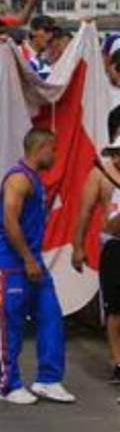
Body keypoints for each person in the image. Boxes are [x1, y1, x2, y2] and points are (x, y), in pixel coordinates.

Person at [0, 128, 75, 404]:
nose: (56, 154)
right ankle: (9, 385)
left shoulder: (35, 180)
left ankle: (48, 379)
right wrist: (26, 258)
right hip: (13, 264)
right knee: (11, 324)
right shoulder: (18, 179)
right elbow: (9, 222)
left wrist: (33, 260)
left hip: (33, 262)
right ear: (41, 149)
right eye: (54, 149)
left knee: (51, 316)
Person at [71, 136, 120, 384]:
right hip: (114, 245)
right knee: (115, 307)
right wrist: (77, 247)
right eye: (115, 153)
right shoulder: (100, 176)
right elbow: (85, 211)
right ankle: (117, 359)